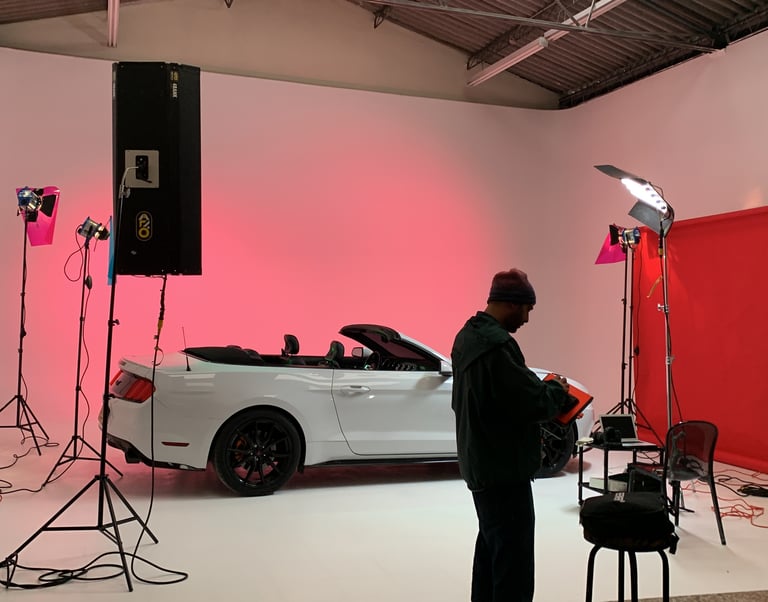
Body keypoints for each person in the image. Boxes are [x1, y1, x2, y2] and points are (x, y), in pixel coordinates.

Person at [451, 268, 574, 602]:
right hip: (504, 469)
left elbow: (503, 394)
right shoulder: (497, 346)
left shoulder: (467, 337)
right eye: (527, 309)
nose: (527, 319)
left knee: (491, 552)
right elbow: (531, 402)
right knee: (513, 566)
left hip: (480, 463)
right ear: (511, 303)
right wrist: (557, 391)